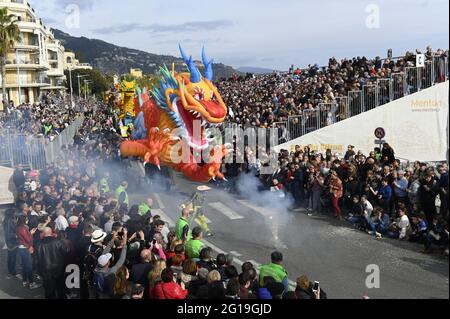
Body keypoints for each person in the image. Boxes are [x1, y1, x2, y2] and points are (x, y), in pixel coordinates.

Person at [36, 227, 70, 299]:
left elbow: (36, 260)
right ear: (51, 233)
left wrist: (39, 271)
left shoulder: (38, 244)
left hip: (45, 270)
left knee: (49, 290)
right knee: (60, 287)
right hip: (58, 268)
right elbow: (66, 252)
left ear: (43, 234)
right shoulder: (58, 241)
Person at [92, 230, 128, 299]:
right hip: (108, 295)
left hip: (100, 293)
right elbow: (121, 260)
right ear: (107, 263)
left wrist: (112, 239)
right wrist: (125, 244)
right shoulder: (111, 272)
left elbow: (104, 253)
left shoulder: (96, 267)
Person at [16, 215, 40, 289]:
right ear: (24, 220)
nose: (28, 220)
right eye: (26, 219)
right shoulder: (23, 228)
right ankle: (31, 283)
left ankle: (24, 281)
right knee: (29, 267)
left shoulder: (18, 227)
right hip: (25, 249)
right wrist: (31, 233)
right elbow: (28, 240)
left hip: (21, 248)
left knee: (25, 266)